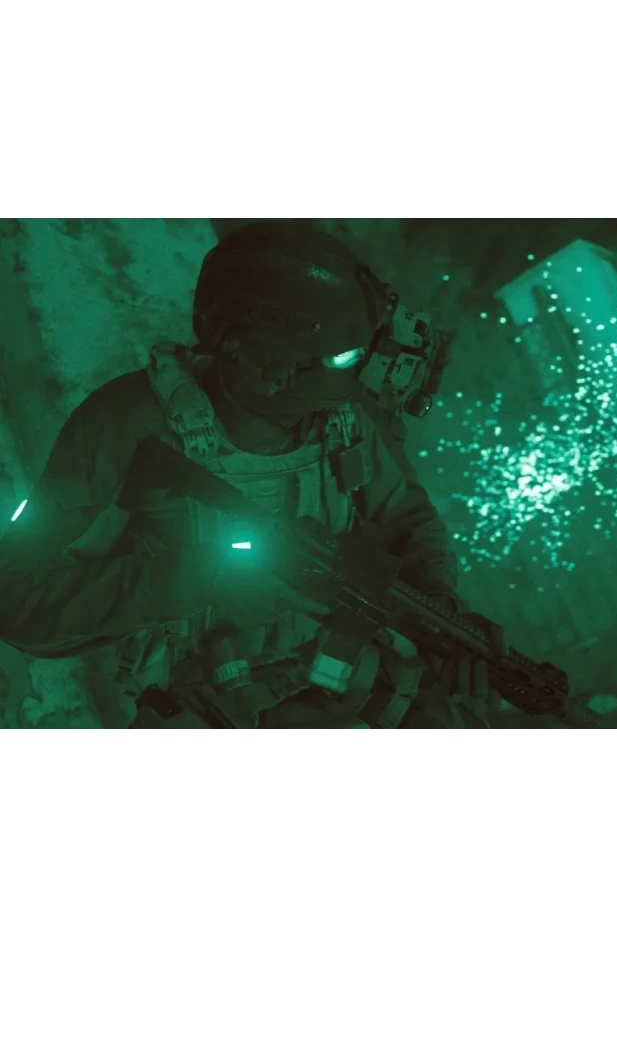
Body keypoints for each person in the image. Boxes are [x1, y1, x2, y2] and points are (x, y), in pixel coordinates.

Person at [0, 221, 494, 729]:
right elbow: (14, 597)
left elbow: (408, 519)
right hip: (198, 696)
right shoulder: (131, 422)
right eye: (344, 356)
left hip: (332, 670)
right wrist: (198, 580)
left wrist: (442, 612)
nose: (363, 369)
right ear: (268, 365)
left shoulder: (345, 419)